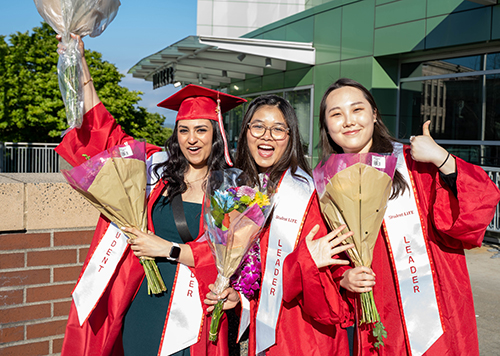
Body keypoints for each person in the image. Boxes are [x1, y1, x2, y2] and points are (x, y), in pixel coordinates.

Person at [55, 35, 246, 356]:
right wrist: (78, 62)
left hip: (193, 313)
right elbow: (106, 132)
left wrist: (167, 249)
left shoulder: (233, 189)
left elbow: (229, 259)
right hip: (143, 299)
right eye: (184, 130)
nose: (192, 139)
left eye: (202, 130)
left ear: (217, 135)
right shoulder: (156, 170)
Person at [318, 78, 500, 356]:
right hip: (377, 313)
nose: (348, 121)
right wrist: (344, 277)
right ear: (327, 127)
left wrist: (443, 159)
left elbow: (477, 205)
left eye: (357, 110)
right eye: (336, 114)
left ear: (374, 114)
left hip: (437, 312)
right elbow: (323, 251)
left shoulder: (414, 162)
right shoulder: (325, 182)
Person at [205, 94, 354, 356]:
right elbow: (253, 271)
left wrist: (305, 262)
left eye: (278, 129)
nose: (266, 136)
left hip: (302, 336)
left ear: (290, 136)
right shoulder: (240, 192)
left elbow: (332, 285)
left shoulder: (312, 195)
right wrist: (238, 298)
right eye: (258, 126)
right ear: (246, 131)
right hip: (255, 332)